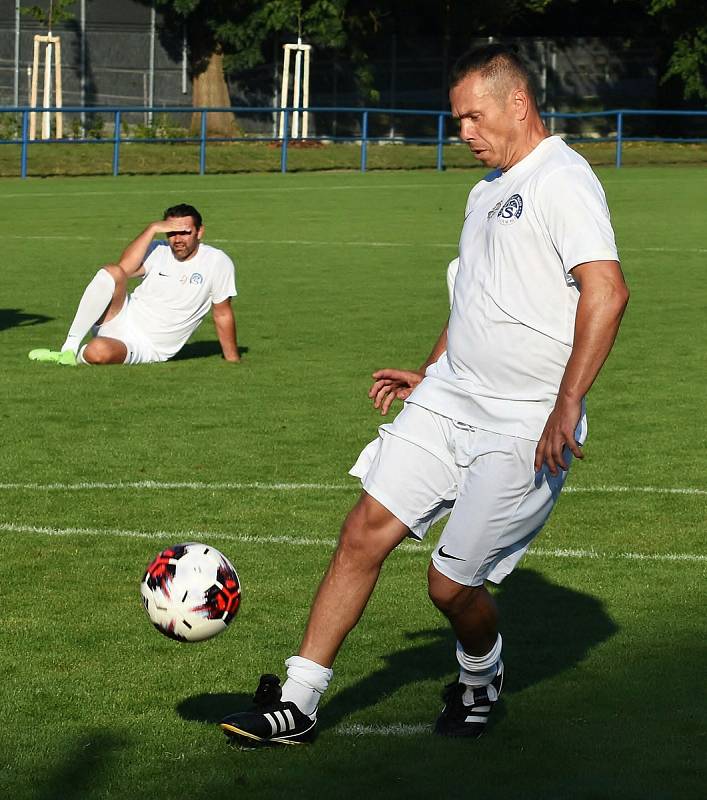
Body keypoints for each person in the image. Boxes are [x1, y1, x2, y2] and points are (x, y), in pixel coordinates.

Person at [220, 43, 629, 746]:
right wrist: (430, 367)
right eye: (456, 119)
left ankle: (481, 674)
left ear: (517, 104)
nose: (462, 131)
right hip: (450, 400)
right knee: (360, 534)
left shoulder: (561, 179)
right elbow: (475, 298)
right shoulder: (484, 191)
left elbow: (607, 290)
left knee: (449, 587)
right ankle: (298, 700)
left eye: (472, 117)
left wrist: (568, 404)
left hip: (523, 424)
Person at [28, 203, 240, 366]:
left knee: (97, 352)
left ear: (199, 232)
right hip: (121, 316)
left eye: (184, 232)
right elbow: (124, 270)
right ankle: (68, 348)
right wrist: (152, 228)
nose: (177, 239)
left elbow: (222, 313)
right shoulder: (159, 249)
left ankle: (76, 357)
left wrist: (233, 360)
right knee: (112, 271)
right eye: (171, 232)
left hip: (147, 346)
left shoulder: (217, 262)